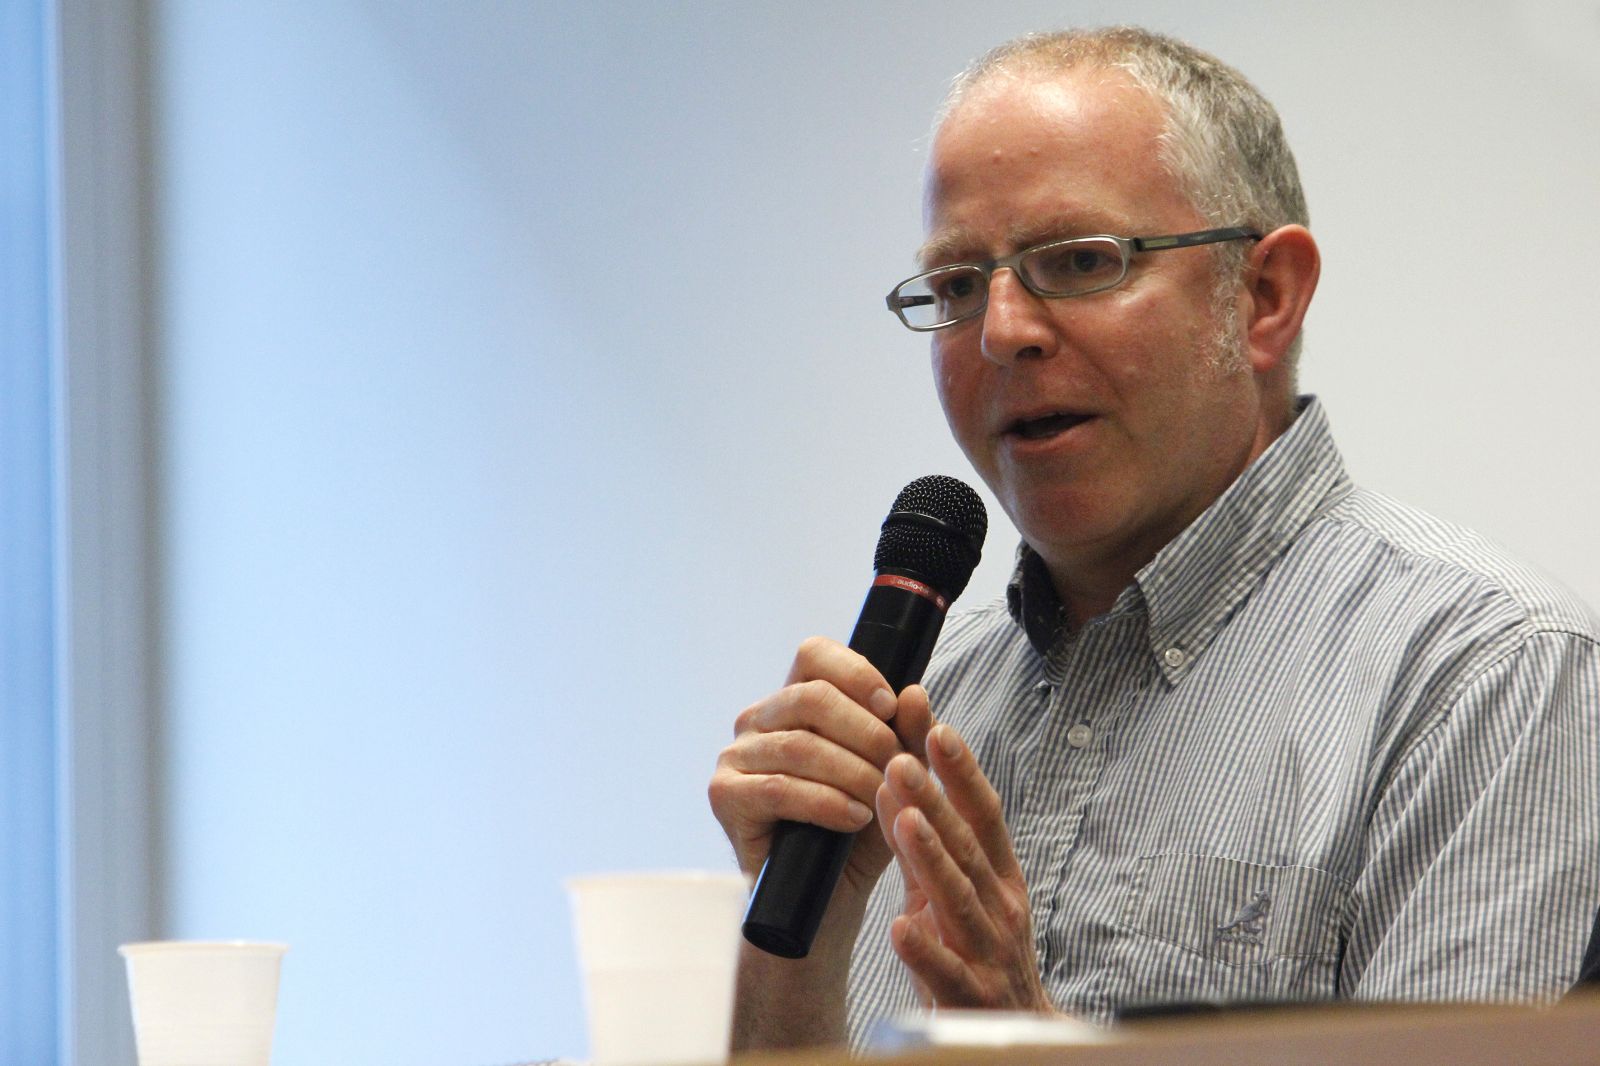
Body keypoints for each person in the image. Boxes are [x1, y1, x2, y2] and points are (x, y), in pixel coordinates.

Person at [707, 26, 1600, 1051]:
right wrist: (802, 940)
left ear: (1264, 297)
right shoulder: (923, 710)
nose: (1001, 330)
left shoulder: (1488, 676)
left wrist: (1032, 1041)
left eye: (1079, 261)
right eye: (956, 285)